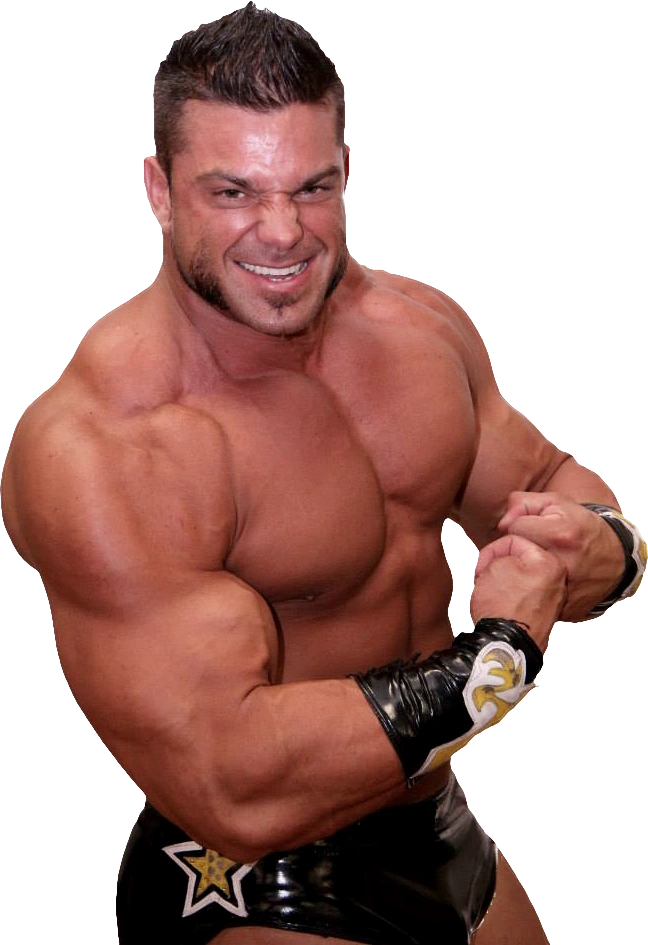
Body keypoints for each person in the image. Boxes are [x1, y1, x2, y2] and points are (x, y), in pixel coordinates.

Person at [1, 6, 645, 944]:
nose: (282, 232)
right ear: (158, 191)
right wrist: (498, 658)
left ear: (346, 173)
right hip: (266, 872)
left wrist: (605, 546)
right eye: (233, 191)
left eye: (311, 188)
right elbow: (230, 782)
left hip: (439, 824)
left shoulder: (419, 327)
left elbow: (550, 477)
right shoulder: (110, 445)